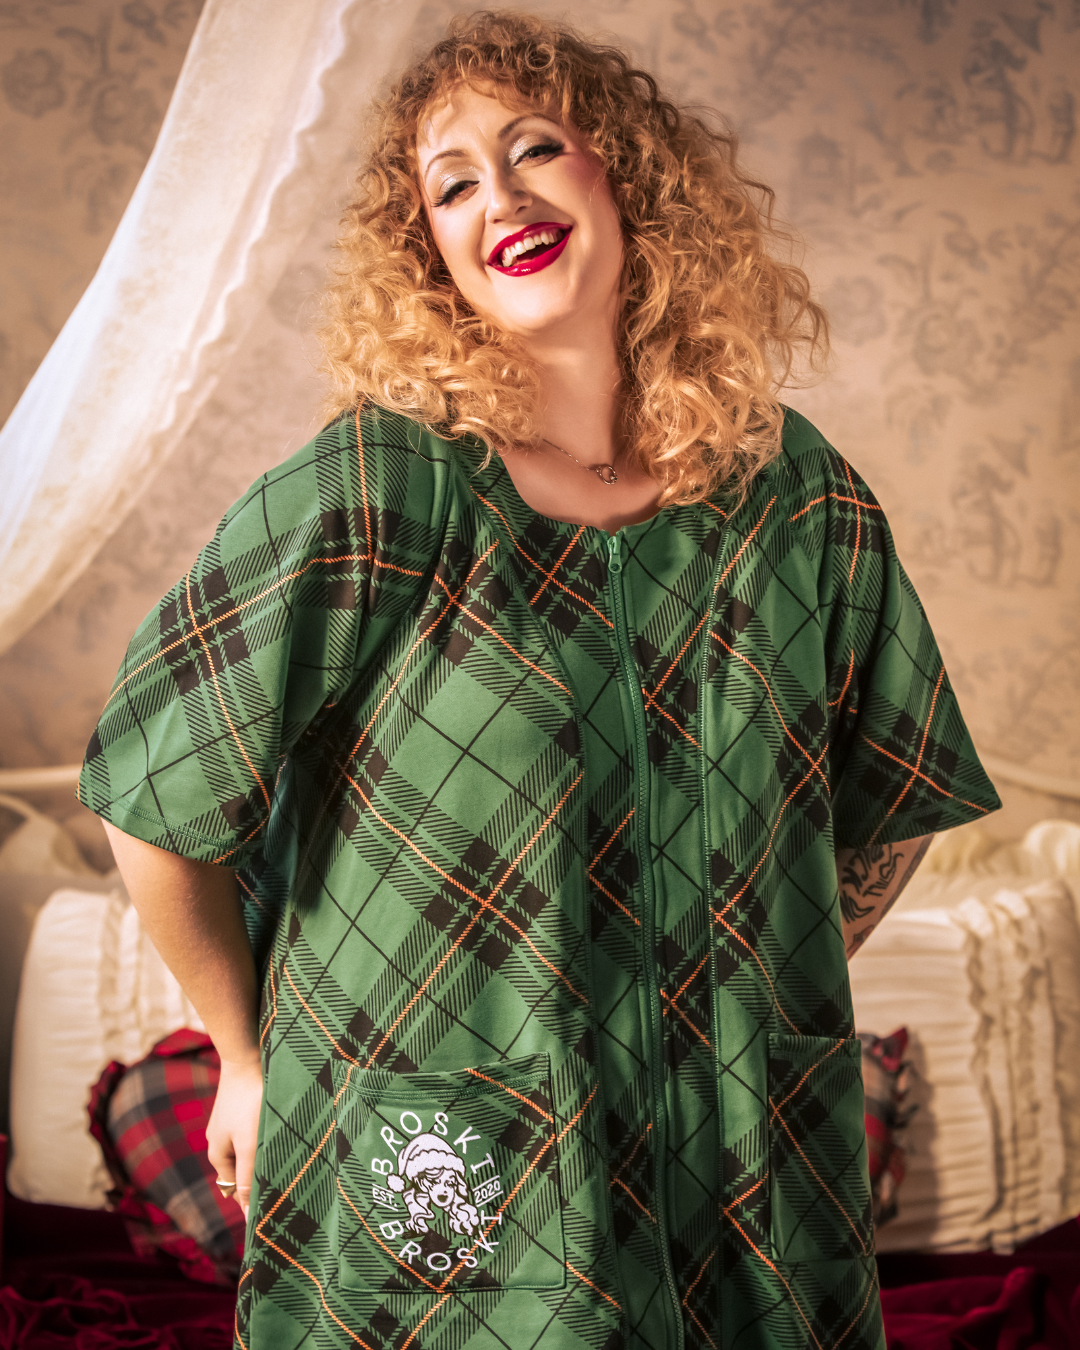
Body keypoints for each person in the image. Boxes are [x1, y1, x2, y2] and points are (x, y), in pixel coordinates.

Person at [81, 11, 999, 1350]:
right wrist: (242, 1052)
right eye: (451, 184)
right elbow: (151, 792)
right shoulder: (378, 488)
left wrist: (723, 987)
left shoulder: (796, 496)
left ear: (627, 178)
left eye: (535, 150)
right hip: (452, 1158)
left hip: (739, 1159)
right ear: (427, 253)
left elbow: (891, 789)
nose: (499, 198)